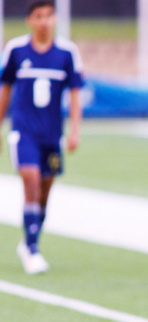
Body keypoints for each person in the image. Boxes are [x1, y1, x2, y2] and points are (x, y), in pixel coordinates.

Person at [0, 0, 84, 274]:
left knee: (45, 189)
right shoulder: (16, 49)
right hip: (24, 132)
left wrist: (75, 130)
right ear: (30, 20)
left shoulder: (67, 53)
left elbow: (74, 94)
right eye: (39, 16)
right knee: (31, 179)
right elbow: (5, 91)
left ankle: (30, 238)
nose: (44, 21)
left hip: (51, 134)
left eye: (49, 15)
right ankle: (32, 249)